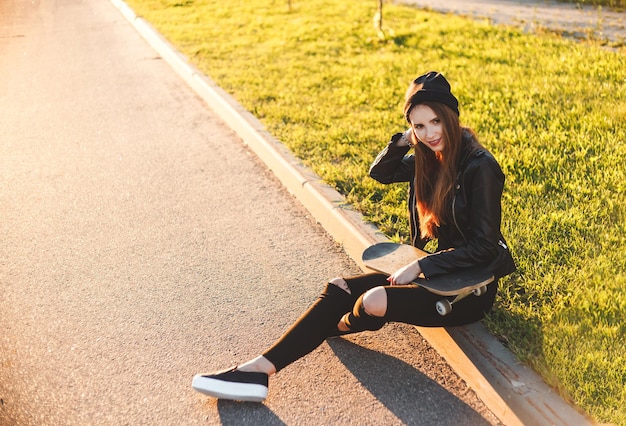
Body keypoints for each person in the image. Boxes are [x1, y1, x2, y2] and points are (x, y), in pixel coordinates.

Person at [191, 71, 516, 402]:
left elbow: (484, 247)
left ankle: (339, 324)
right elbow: (381, 172)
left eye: (436, 122)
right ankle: (256, 372)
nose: (430, 133)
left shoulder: (480, 166)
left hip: (468, 288)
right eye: (419, 126)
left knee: (373, 301)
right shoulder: (429, 157)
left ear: (451, 117)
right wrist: (405, 141)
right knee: (338, 287)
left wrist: (420, 268)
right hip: (436, 272)